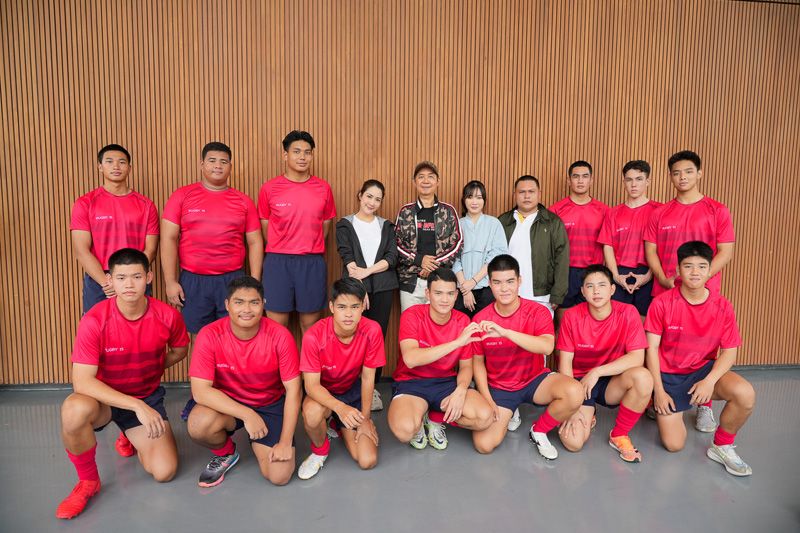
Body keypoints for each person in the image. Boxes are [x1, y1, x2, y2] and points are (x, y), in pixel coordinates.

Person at [56, 248, 189, 519]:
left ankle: (129, 434)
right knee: (73, 409)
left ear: (148, 277)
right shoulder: (94, 320)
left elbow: (179, 350)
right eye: (121, 278)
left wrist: (148, 369)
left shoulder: (167, 316)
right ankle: (88, 482)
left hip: (146, 396)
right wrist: (136, 406)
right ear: (110, 281)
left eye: (137, 276)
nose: (129, 284)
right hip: (104, 401)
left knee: (164, 472)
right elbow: (82, 382)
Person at [645, 241, 754, 476]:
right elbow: (651, 349)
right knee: (674, 444)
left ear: (709, 270)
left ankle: (722, 446)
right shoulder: (662, 303)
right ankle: (658, 406)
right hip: (669, 376)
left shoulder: (723, 306)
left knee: (745, 394)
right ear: (678, 270)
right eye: (688, 266)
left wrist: (710, 381)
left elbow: (730, 351)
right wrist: (659, 391)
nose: (695, 272)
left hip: (703, 371)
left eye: (702, 266)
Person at [644, 150, 735, 432]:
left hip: (703, 292)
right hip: (666, 291)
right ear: (670, 177)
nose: (682, 177)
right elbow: (651, 250)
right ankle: (659, 394)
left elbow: (726, 251)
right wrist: (664, 278)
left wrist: (699, 279)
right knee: (662, 346)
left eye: (688, 171)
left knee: (704, 347)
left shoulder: (717, 210)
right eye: (676, 173)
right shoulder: (660, 212)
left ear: (699, 173)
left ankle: (704, 404)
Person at [186, 276, 301, 487]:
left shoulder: (280, 336)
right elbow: (200, 391)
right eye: (239, 302)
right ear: (227, 305)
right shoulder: (209, 334)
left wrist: (285, 442)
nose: (246, 309)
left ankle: (267, 437)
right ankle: (227, 453)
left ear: (263, 304)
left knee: (280, 476)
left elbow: (294, 390)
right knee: (198, 424)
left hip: (269, 404)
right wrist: (248, 415)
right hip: (228, 403)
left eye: (254, 302)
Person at [470, 255, 583, 460]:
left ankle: (538, 430)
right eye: (497, 282)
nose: (504, 289)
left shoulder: (538, 311)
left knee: (575, 392)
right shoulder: (480, 319)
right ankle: (511, 410)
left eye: (510, 281)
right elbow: (477, 364)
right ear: (490, 284)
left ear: (519, 281)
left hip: (535, 381)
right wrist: (487, 398)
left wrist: (505, 332)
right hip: (501, 388)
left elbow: (547, 347)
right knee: (484, 445)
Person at [161, 141, 263, 335]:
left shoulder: (243, 201)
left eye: (223, 162)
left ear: (230, 167)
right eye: (212, 161)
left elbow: (255, 241)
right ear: (202, 164)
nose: (218, 166)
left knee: (234, 335)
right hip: (193, 280)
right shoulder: (181, 196)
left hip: (233, 279)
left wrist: (254, 283)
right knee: (198, 337)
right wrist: (170, 282)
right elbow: (168, 239)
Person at [387, 268, 493, 450]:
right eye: (438, 293)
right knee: (405, 431)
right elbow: (411, 359)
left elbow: (466, 366)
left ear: (456, 295)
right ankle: (419, 419)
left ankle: (434, 417)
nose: (445, 299)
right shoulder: (412, 315)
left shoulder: (462, 321)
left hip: (446, 384)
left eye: (450, 294)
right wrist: (456, 343)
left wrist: (461, 390)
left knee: (484, 418)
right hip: (412, 382)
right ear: (428, 293)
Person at [556, 265, 653, 463]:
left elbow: (637, 357)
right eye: (590, 286)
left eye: (601, 285)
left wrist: (597, 372)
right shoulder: (571, 316)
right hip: (579, 383)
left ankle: (619, 434)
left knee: (643, 377)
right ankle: (588, 412)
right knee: (573, 443)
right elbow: (565, 364)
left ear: (612, 289)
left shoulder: (628, 312)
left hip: (612, 381)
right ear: (583, 291)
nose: (596, 291)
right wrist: (572, 407)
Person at [297, 278, 385, 479]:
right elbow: (311, 386)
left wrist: (365, 419)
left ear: (362, 307)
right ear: (331, 307)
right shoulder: (313, 336)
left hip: (351, 392)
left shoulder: (372, 330)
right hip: (324, 394)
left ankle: (337, 423)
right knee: (312, 413)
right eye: (342, 307)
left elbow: (368, 378)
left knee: (367, 460)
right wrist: (340, 408)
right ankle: (320, 451)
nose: (348, 314)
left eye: (354, 307)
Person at [258, 130, 336, 334]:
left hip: (311, 262)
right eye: (297, 151)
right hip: (278, 262)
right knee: (276, 328)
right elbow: (266, 227)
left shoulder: (323, 188)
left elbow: (325, 225)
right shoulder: (269, 188)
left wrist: (308, 245)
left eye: (307, 152)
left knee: (310, 327)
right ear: (285, 155)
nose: (303, 157)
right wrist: (283, 245)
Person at [71, 144, 159, 313]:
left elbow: (151, 249)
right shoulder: (85, 203)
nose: (116, 166)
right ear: (100, 167)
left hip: (135, 279)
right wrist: (107, 282)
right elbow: (81, 250)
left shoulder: (146, 205)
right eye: (109, 161)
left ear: (129, 168)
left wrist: (131, 278)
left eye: (122, 162)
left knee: (139, 327)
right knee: (98, 327)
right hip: (100, 280)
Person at [336, 179, 398, 410]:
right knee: (352, 337)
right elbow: (347, 257)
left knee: (376, 338)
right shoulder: (345, 224)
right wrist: (361, 288)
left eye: (377, 199)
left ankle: (371, 390)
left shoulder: (386, 225)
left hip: (382, 288)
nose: (372, 202)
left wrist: (368, 272)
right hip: (354, 289)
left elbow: (391, 258)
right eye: (369, 196)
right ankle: (351, 388)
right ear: (360, 195)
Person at [497, 175, 569, 319]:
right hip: (508, 293)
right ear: (515, 194)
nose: (527, 196)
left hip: (542, 296)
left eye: (531, 191)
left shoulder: (552, 222)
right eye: (522, 192)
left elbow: (562, 260)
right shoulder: (503, 221)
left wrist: (557, 294)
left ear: (539, 194)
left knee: (539, 332)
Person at [395, 161, 462, 312]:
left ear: (438, 181)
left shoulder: (448, 211)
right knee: (410, 323)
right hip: (411, 282)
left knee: (438, 325)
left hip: (441, 283)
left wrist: (432, 265)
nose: (426, 181)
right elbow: (397, 244)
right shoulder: (405, 212)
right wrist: (420, 260)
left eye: (430, 177)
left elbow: (457, 244)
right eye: (421, 177)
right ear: (414, 182)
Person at [598, 160, 662, 317]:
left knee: (645, 321)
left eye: (639, 179)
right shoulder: (612, 213)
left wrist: (648, 276)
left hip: (649, 272)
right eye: (629, 179)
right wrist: (615, 276)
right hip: (620, 272)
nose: (634, 184)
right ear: (624, 182)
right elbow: (607, 246)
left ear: (648, 181)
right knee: (618, 319)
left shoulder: (659, 211)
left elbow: (662, 247)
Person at [550, 161, 610, 315]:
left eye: (585, 176)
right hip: (565, 272)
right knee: (564, 322)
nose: (580, 181)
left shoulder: (604, 210)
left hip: (594, 272)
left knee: (591, 321)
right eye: (576, 176)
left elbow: (609, 247)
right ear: (569, 180)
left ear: (591, 180)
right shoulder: (556, 210)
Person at [452, 180, 508, 318]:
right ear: (464, 200)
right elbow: (453, 258)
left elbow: (495, 257)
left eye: (479, 197)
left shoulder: (494, 223)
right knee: (461, 327)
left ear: (484, 200)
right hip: (461, 290)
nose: (474, 202)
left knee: (485, 327)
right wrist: (465, 288)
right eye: (470, 197)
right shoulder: (457, 224)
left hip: (486, 289)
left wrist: (473, 282)